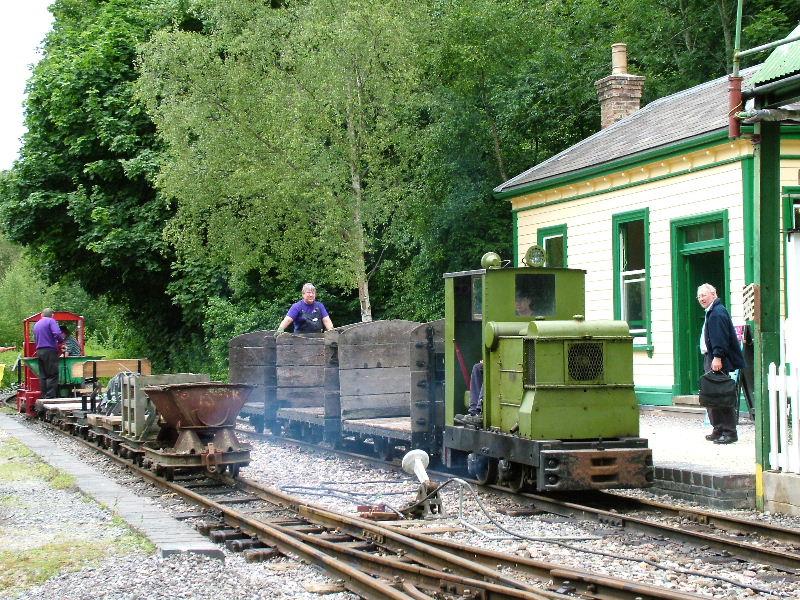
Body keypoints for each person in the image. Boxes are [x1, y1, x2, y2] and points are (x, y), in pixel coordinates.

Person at [697, 284, 746, 444]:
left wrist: (717, 357)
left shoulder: (717, 312)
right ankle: (718, 429)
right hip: (711, 357)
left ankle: (729, 432)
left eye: (704, 295)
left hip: (717, 359)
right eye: (699, 296)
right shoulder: (712, 311)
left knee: (721, 396)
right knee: (712, 396)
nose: (701, 299)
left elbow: (720, 338)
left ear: (713, 294)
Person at [33, 308, 64, 399]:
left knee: (43, 375)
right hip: (49, 350)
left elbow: (35, 338)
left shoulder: (37, 324)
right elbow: (57, 333)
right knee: (52, 374)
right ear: (52, 315)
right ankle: (50, 396)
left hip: (39, 351)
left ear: (41, 315)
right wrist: (61, 342)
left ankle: (44, 395)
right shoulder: (51, 321)